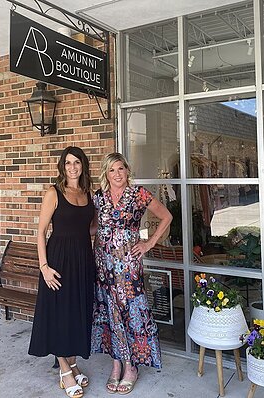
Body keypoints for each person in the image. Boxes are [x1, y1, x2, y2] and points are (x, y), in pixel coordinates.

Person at [92, 152, 173, 394]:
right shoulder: (99, 197)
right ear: (106, 174)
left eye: (120, 169)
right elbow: (95, 226)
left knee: (129, 312)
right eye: (112, 170)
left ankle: (131, 366)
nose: (117, 174)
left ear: (127, 170)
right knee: (109, 311)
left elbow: (166, 216)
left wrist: (149, 244)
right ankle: (116, 364)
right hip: (103, 264)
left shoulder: (138, 194)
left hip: (128, 266)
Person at [29, 146, 97, 398]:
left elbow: (88, 228)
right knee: (59, 312)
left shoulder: (87, 192)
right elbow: (41, 232)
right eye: (68, 163)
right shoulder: (53, 192)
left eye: (76, 162)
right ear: (62, 166)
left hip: (82, 259)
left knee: (76, 311)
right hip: (57, 260)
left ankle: (73, 361)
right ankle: (65, 369)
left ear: (82, 165)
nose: (72, 167)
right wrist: (44, 267)